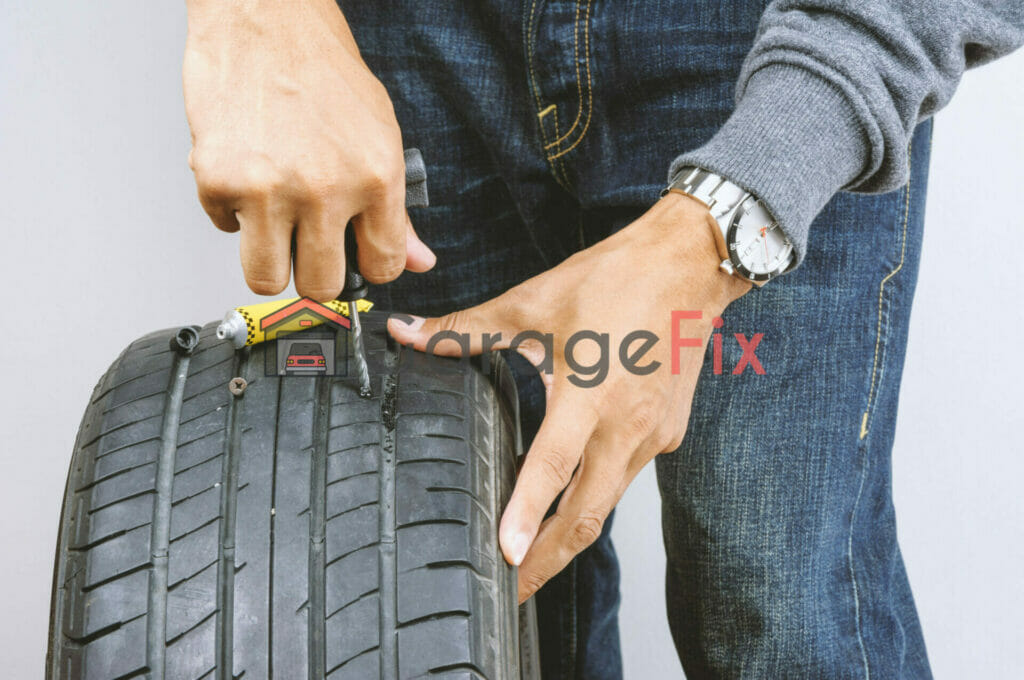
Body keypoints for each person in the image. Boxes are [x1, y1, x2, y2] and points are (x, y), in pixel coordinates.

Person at [182, 1, 1023, 677]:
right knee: (457, 591)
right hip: (407, 37)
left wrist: (729, 217)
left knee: (779, 617)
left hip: (762, 40)